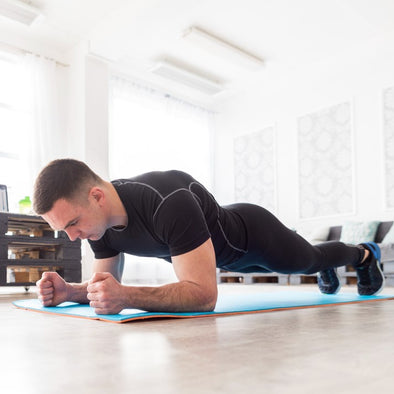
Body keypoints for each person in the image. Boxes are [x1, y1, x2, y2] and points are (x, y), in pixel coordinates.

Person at [34, 159, 384, 315]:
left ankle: (363, 255)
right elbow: (105, 287)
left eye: (73, 224)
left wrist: (126, 295)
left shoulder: (167, 200)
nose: (74, 236)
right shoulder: (98, 225)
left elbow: (203, 296)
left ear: (96, 196)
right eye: (65, 229)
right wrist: (70, 292)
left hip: (253, 236)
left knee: (310, 260)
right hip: (222, 256)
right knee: (310, 259)